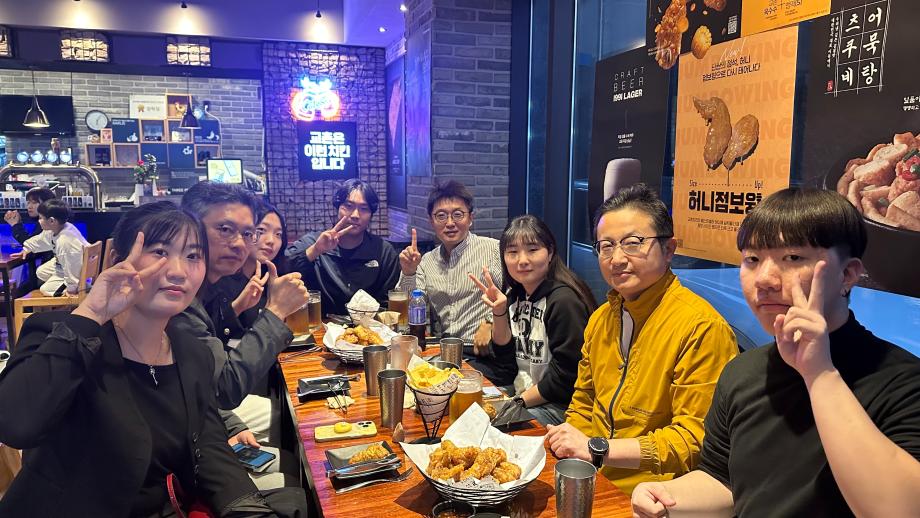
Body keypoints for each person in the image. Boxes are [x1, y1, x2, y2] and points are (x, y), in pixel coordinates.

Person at [0, 201, 303, 517]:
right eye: (160, 252)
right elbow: (15, 425)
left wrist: (248, 510)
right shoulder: (61, 333)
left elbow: (209, 447)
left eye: (193, 256)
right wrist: (92, 312)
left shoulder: (191, 353)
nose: (178, 271)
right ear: (118, 260)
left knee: (296, 500)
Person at [631, 188, 920, 518]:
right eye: (752, 260)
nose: (764, 279)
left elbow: (900, 510)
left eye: (793, 258)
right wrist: (665, 495)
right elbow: (723, 480)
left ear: (848, 274)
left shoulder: (904, 383)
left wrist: (819, 373)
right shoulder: (742, 372)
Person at [545, 184, 737, 495]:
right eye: (606, 246)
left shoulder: (701, 327)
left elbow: (693, 440)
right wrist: (570, 444)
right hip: (593, 476)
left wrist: (598, 449)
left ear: (669, 249)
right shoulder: (601, 319)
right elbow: (584, 401)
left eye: (633, 243)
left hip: (655, 495)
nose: (617, 258)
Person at [470, 215, 597, 426]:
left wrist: (516, 403)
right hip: (525, 393)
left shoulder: (564, 301)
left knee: (486, 428)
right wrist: (499, 312)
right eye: (512, 252)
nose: (522, 260)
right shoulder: (516, 295)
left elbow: (566, 378)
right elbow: (506, 364)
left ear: (550, 252)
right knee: (465, 410)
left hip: (561, 407)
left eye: (532, 250)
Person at [396, 180, 510, 385]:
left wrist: (491, 322)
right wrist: (409, 272)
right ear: (431, 221)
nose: (449, 223)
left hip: (489, 354)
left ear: (470, 218)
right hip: (447, 353)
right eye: (441, 216)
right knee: (403, 377)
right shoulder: (426, 261)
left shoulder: (494, 250)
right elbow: (410, 306)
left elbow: (518, 293)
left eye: (458, 214)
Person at [286, 179, 399, 315]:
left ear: (371, 215)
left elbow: (387, 303)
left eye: (364, 209)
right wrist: (315, 250)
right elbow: (284, 268)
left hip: (370, 325)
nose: (355, 215)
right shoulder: (314, 242)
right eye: (348, 206)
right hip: (320, 325)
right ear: (337, 208)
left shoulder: (383, 252)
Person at [12, 199, 89, 296]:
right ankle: (68, 284)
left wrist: (71, 288)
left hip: (78, 270)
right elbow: (41, 239)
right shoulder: (60, 228)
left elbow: (72, 266)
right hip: (69, 264)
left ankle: (77, 288)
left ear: (52, 221)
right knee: (41, 272)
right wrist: (27, 248)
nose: (39, 221)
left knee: (45, 289)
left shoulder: (64, 241)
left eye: (41, 218)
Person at [4, 187, 55, 295]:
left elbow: (35, 249)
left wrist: (16, 225)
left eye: (34, 202)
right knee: (19, 291)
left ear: (47, 204)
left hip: (52, 278)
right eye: (28, 202)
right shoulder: (46, 221)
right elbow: (34, 243)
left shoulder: (49, 223)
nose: (29, 206)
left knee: (18, 293)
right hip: (50, 274)